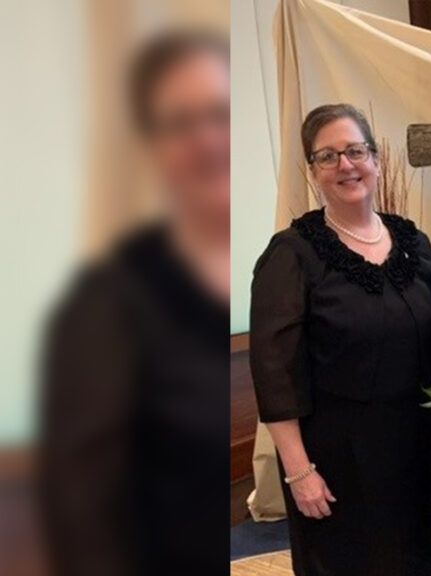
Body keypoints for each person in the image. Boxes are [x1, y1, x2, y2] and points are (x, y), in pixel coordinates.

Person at [41, 30, 230, 573]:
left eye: (218, 113)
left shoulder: (265, 267)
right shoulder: (107, 303)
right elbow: (81, 512)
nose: (207, 139)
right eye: (180, 123)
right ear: (151, 147)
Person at [249, 103, 431, 575]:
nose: (345, 165)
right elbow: (275, 372)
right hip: (332, 463)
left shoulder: (413, 244)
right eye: (328, 156)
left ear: (375, 160)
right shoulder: (292, 254)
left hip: (409, 453)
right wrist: (298, 471)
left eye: (355, 151)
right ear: (313, 171)